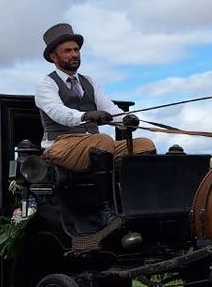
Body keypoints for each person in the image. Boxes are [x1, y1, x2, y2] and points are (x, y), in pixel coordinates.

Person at [34, 23, 155, 245]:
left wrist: (127, 120)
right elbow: (58, 113)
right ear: (53, 56)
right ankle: (106, 212)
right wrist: (87, 116)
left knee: (144, 145)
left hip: (93, 144)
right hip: (60, 145)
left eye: (76, 50)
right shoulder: (46, 84)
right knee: (102, 140)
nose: (74, 54)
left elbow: (110, 108)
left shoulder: (90, 82)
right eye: (67, 51)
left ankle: (137, 205)